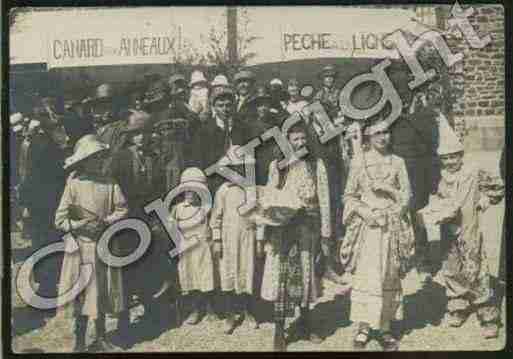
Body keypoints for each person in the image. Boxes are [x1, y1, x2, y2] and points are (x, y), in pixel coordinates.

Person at [340, 118, 415, 351]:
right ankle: (363, 328)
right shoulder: (358, 162)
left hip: (391, 226)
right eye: (378, 133)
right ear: (368, 137)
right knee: (368, 276)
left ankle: (384, 327)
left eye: (387, 132)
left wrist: (392, 198)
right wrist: (366, 212)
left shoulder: (398, 162)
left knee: (389, 275)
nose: (384, 137)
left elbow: (407, 195)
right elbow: (349, 196)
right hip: (369, 228)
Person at [420, 123, 501, 338]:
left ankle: (487, 313)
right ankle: (458, 306)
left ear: (461, 155)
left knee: (476, 266)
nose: (450, 162)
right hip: (448, 228)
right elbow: (436, 197)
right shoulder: (440, 176)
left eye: (454, 157)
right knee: (452, 266)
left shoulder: (473, 171)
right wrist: (435, 209)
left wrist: (486, 198)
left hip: (469, 226)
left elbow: (496, 185)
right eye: (446, 158)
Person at [260, 121, 331, 351]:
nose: (300, 143)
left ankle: (307, 322)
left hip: (307, 225)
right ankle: (280, 329)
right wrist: (264, 231)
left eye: (303, 139)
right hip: (283, 227)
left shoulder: (315, 164)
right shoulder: (277, 166)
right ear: (286, 141)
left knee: (305, 271)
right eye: (295, 139)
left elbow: (325, 198)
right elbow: (268, 198)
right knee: (281, 274)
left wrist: (326, 233)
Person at [54, 135, 129, 352]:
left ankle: (102, 337)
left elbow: (122, 208)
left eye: (100, 158)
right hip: (82, 247)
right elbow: (59, 219)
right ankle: (79, 341)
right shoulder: (74, 184)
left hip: (104, 244)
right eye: (93, 158)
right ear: (84, 161)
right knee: (83, 294)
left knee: (103, 292)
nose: (98, 162)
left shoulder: (110, 183)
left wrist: (106, 221)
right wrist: (80, 225)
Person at [110, 110, 176, 335]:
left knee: (148, 266)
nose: (141, 138)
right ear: (130, 135)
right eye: (137, 134)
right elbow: (112, 189)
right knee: (126, 270)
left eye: (145, 133)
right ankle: (124, 321)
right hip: (126, 221)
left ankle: (152, 313)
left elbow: (159, 190)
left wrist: (159, 218)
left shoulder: (155, 157)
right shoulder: (119, 158)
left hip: (148, 220)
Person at [18, 99, 69, 296]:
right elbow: (30, 176)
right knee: (47, 241)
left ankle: (47, 282)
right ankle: (48, 285)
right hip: (45, 202)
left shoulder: (38, 143)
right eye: (55, 124)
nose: (59, 127)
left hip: (43, 201)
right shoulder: (45, 145)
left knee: (44, 241)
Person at [210, 170, 259, 334]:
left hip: (247, 237)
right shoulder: (223, 190)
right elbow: (216, 217)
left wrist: (260, 239)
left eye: (239, 168)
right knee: (228, 274)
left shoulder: (251, 189)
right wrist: (217, 240)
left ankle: (248, 312)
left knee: (247, 273)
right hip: (228, 238)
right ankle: (230, 316)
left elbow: (259, 215)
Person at [170, 168, 216, 325]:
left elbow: (212, 225)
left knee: (206, 278)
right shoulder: (178, 209)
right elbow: (173, 230)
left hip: (204, 248)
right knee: (191, 279)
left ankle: (210, 309)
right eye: (187, 191)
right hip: (187, 249)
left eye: (194, 191)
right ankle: (195, 310)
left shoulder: (206, 208)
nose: (189, 194)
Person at [189, 85, 252, 194]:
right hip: (215, 181)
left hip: (242, 180)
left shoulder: (244, 128)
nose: (225, 109)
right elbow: (199, 160)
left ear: (233, 106)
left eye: (228, 105)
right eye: (220, 105)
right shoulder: (204, 131)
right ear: (213, 107)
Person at [246, 86, 283, 186]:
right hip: (257, 166)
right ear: (255, 107)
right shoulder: (248, 125)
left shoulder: (276, 122)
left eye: (265, 105)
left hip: (275, 164)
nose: (262, 108)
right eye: (259, 105)